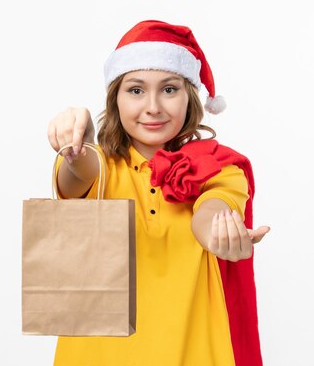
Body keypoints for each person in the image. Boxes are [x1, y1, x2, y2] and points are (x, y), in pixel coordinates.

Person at [47, 20, 270, 366]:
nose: (153, 106)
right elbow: (77, 175)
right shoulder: (100, 167)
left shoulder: (222, 167)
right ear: (115, 98)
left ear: (189, 97)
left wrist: (219, 232)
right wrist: (78, 147)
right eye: (136, 90)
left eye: (169, 89)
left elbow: (210, 212)